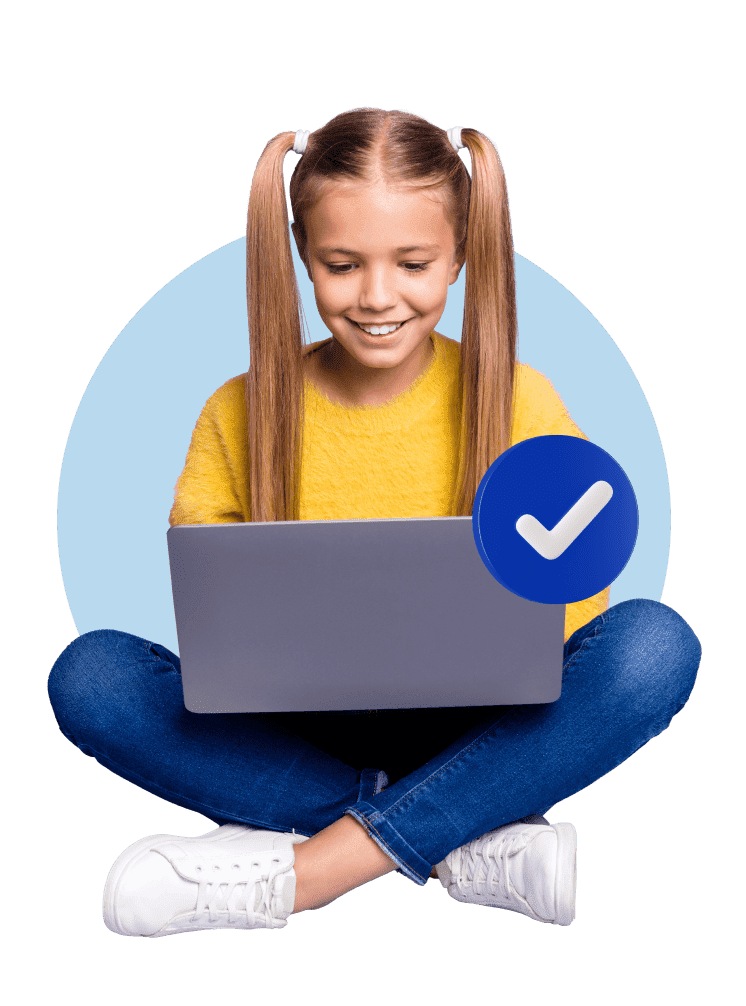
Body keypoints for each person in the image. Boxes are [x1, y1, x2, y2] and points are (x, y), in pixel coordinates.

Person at [47, 107, 701, 937]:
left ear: (461, 254)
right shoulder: (236, 409)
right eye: (343, 264)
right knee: (91, 677)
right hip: (293, 731)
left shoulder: (523, 400)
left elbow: (576, 614)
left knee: (656, 647)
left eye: (414, 262)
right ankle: (457, 838)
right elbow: (212, 619)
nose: (378, 296)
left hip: (480, 725)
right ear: (300, 253)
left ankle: (313, 872)